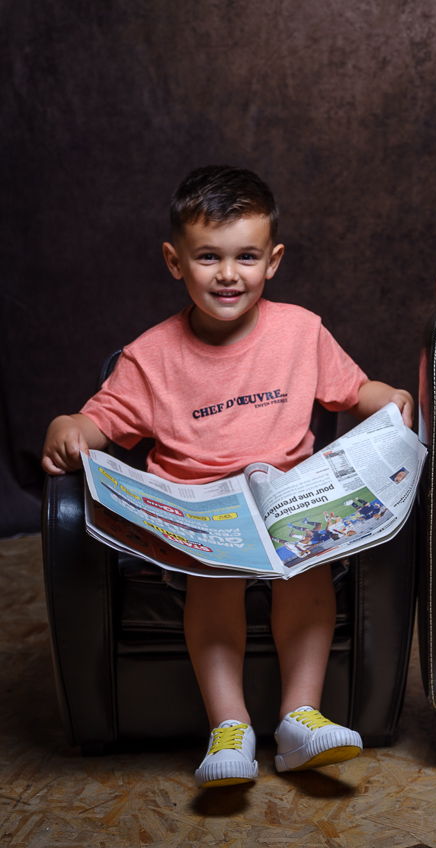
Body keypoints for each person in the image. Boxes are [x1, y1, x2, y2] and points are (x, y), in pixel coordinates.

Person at [42, 166, 414, 790]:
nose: (227, 274)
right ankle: (230, 728)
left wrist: (389, 396)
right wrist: (70, 425)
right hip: (198, 517)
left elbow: (353, 390)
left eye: (246, 256)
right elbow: (100, 420)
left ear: (273, 261)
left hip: (289, 503)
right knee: (214, 583)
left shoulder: (300, 330)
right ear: (174, 261)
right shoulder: (151, 355)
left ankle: (300, 719)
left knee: (307, 568)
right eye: (207, 257)